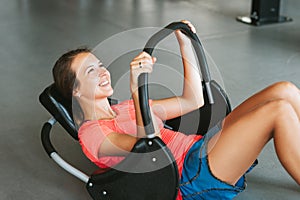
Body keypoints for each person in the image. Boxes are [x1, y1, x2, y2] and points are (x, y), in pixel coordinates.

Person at [52, 20, 300, 199]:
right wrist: (138, 90)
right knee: (278, 110)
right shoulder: (92, 134)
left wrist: (184, 43)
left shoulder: (126, 108)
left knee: (284, 89)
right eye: (90, 71)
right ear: (76, 90)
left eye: (100, 65)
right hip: (189, 176)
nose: (103, 72)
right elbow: (150, 150)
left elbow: (193, 101)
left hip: (200, 147)